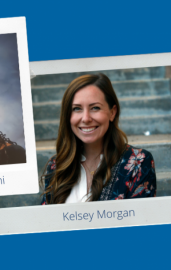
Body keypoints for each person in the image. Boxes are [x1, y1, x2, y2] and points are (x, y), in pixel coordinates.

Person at [41, 73, 156, 204]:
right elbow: (47, 222)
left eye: (95, 108)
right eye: (77, 108)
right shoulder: (56, 165)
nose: (85, 118)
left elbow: (141, 221)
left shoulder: (139, 162)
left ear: (112, 113)